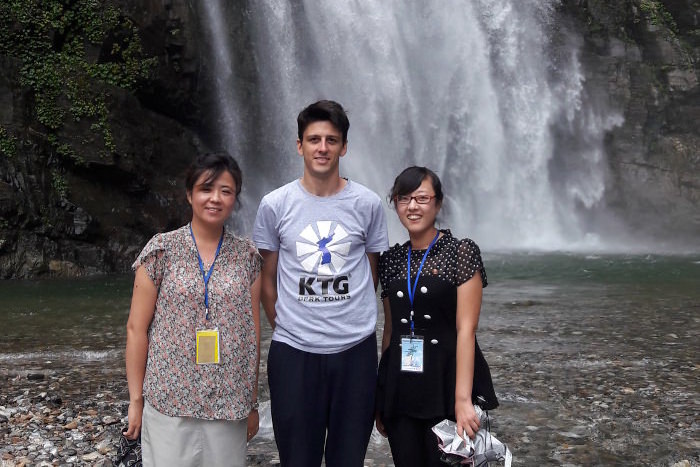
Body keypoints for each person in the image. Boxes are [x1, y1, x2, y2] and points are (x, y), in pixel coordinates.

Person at [253, 100, 389, 467]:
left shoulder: (368, 204)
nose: (322, 148)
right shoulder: (274, 205)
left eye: (331, 140)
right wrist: (288, 326)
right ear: (300, 145)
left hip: (355, 352)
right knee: (298, 460)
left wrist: (348, 316)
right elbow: (267, 280)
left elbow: (371, 272)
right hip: (293, 353)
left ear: (344, 147)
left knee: (349, 460)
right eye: (314, 139)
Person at [124, 152, 262, 466]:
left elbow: (253, 335)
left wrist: (252, 403)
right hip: (169, 399)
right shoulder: (161, 250)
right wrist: (136, 400)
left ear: (235, 198)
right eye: (206, 189)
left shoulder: (248, 257)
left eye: (226, 191)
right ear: (190, 194)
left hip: (229, 401)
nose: (215, 199)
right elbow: (136, 328)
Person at [375, 166, 499, 467]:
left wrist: (462, 399)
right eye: (403, 199)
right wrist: (382, 396)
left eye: (421, 198)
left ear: (438, 203)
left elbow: (466, 330)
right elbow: (390, 331)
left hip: (446, 382)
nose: (412, 206)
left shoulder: (461, 252)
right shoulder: (391, 259)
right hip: (401, 385)